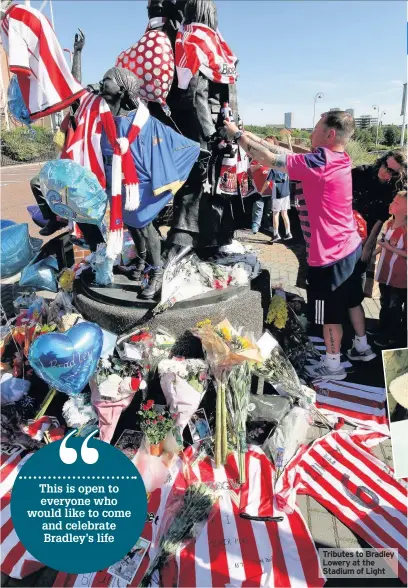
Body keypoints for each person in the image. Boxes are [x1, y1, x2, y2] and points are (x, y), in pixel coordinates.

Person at [224, 111, 376, 380]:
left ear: (329, 134)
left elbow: (271, 159)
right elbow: (280, 150)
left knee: (329, 314)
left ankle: (333, 366)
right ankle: (362, 348)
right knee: (353, 301)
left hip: (329, 256)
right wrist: (250, 135)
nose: (311, 132)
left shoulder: (319, 161)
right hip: (350, 246)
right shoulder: (339, 157)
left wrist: (236, 136)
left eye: (316, 127)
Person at [372, 191, 407, 348]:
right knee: (385, 302)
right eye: (393, 201)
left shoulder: (406, 230)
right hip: (385, 273)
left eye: (397, 203)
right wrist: (371, 254)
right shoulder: (389, 224)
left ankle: (391, 336)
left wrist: (388, 247)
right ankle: (382, 327)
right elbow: (383, 244)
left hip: (399, 278)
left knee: (394, 307)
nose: (391, 204)